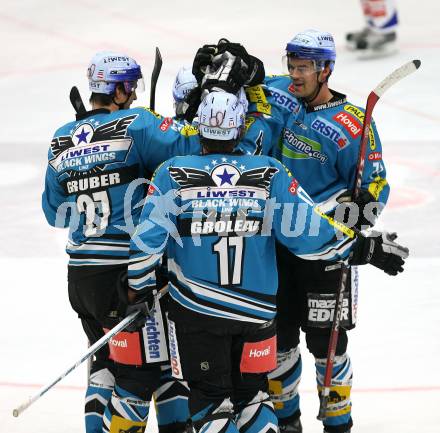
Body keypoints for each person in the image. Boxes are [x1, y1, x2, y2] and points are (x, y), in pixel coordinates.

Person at [124, 90, 407, 433]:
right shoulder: (269, 173)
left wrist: (137, 291)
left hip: (199, 317)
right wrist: (363, 248)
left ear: (198, 129)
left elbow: (146, 243)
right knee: (254, 398)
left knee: (211, 402)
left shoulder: (172, 173)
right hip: (256, 316)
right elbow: (311, 234)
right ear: (241, 128)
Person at [42, 51, 201, 433]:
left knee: (105, 365)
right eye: (130, 87)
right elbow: (194, 148)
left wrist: (95, 178)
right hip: (126, 277)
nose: (132, 94)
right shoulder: (138, 123)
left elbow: (53, 212)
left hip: (81, 279)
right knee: (147, 373)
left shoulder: (62, 137)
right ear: (120, 89)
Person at [258, 30, 391, 433]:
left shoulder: (351, 124)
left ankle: (338, 424)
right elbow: (246, 87)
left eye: (303, 68)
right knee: (279, 344)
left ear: (326, 69)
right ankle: (288, 423)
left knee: (326, 345)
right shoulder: (278, 92)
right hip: (274, 247)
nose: (294, 76)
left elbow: (376, 189)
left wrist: (352, 219)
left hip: (325, 256)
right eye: (292, 66)